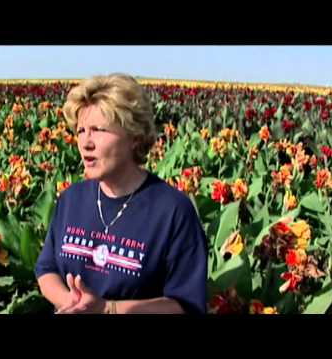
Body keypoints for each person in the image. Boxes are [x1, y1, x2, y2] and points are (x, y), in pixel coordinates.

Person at [35, 73, 207, 314]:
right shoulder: (71, 199)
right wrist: (72, 304)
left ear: (135, 137)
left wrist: (108, 309)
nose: (86, 142)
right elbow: (46, 269)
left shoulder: (173, 211)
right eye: (81, 130)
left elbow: (186, 305)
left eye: (98, 130)